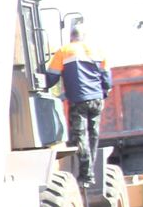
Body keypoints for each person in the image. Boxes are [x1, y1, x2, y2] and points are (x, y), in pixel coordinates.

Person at [45, 23, 113, 187]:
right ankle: (89, 172)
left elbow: (51, 78)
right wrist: (104, 91)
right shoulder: (98, 50)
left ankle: (86, 175)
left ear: (71, 36)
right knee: (93, 135)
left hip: (79, 99)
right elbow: (107, 78)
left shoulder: (64, 51)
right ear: (84, 37)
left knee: (80, 137)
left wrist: (42, 85)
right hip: (97, 99)